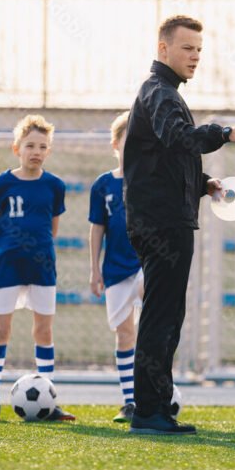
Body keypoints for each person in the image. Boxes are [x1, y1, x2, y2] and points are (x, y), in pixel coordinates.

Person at [124, 15, 235, 435]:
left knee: (167, 313)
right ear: (163, 49)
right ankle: (149, 409)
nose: (195, 56)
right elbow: (181, 139)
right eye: (187, 48)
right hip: (162, 225)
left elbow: (165, 157)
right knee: (162, 315)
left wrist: (203, 183)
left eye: (199, 49)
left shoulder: (163, 94)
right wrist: (226, 133)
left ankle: (154, 405)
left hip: (166, 219)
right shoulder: (159, 92)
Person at [0, 114, 75, 422]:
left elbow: (53, 227)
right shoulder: (2, 183)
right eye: (30, 145)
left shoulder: (54, 185)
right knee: (1, 328)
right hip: (8, 265)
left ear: (49, 151)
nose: (36, 151)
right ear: (16, 148)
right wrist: (12, 246)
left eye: (43, 146)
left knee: (44, 330)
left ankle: (49, 401)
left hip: (43, 267)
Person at [89, 111, 143, 424]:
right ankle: (129, 401)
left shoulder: (149, 181)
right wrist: (94, 270)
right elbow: (97, 229)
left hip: (146, 263)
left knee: (151, 328)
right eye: (127, 142)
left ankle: (157, 394)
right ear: (115, 144)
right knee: (125, 334)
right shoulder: (103, 185)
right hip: (116, 269)